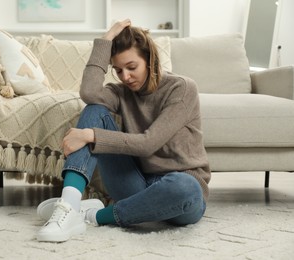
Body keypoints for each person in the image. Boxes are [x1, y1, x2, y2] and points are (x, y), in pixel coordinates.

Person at [36, 19, 211, 243]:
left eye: (131, 67)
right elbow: (89, 93)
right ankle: (68, 205)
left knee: (186, 187)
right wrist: (105, 40)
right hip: (137, 185)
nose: (125, 77)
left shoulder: (182, 88)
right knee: (95, 109)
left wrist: (91, 135)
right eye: (118, 70)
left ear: (149, 59)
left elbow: (148, 143)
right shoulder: (121, 92)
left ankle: (93, 215)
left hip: (182, 193)